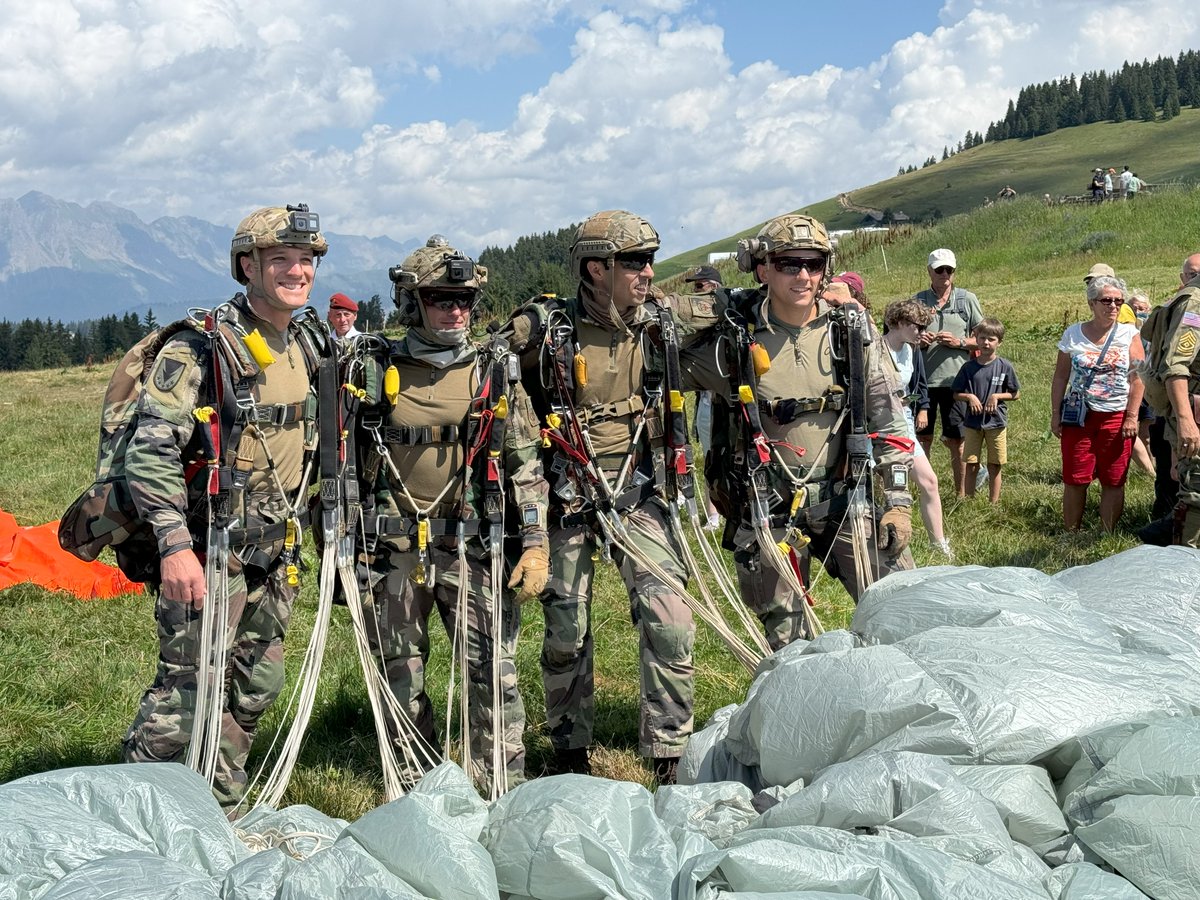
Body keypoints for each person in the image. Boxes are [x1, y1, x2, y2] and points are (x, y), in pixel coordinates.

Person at [122, 204, 334, 814]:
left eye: (306, 261)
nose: (297, 272)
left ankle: (220, 805)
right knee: (186, 694)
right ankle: (136, 810)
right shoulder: (201, 347)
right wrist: (174, 546)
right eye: (280, 261)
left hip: (278, 546)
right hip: (210, 546)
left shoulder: (309, 341)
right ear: (248, 266)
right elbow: (150, 451)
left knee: (257, 684)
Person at [504, 210, 703, 784]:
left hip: (638, 494)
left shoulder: (658, 323)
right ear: (595, 269)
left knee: (670, 616)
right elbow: (483, 370)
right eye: (634, 262)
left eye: (649, 260)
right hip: (568, 496)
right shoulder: (543, 333)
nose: (647, 273)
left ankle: (668, 753)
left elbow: (729, 313)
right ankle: (569, 751)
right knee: (567, 628)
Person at [351, 236, 550, 796]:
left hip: (473, 547)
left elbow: (525, 462)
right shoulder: (372, 369)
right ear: (413, 302)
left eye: (463, 298)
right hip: (392, 550)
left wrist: (535, 541)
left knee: (493, 674)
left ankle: (500, 790)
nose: (455, 309)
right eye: (441, 298)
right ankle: (415, 790)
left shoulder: (494, 371)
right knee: (399, 672)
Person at [682, 213, 914, 648]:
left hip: (847, 500)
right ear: (763, 267)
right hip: (769, 510)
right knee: (791, 646)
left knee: (904, 612)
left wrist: (898, 500)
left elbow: (889, 419)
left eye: (815, 264)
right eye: (790, 264)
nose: (804, 275)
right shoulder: (732, 337)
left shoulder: (851, 331)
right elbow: (654, 350)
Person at [1050, 275, 1145, 531]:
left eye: (1118, 301)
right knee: (1075, 478)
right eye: (1106, 300)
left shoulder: (1130, 334)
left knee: (1114, 479)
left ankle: (1106, 534)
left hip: (1116, 416)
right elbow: (1060, 376)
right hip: (1078, 416)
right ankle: (1071, 534)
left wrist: (1132, 416)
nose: (1113, 306)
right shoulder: (1073, 334)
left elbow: (1138, 379)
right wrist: (1055, 412)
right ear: (1092, 303)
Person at [882, 300, 951, 558]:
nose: (922, 332)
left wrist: (915, 405)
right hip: (875, 428)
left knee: (930, 481)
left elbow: (917, 385)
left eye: (924, 326)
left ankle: (939, 546)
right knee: (877, 489)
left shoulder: (912, 351)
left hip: (904, 424)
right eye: (917, 326)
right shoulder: (876, 349)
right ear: (899, 323)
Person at [913, 248, 983, 495]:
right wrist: (918, 339)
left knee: (957, 441)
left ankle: (960, 494)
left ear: (954, 272)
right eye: (939, 270)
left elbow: (985, 339)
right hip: (924, 383)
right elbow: (901, 338)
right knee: (923, 440)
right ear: (929, 271)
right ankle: (924, 492)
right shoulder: (917, 301)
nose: (944, 274)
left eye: (949, 270)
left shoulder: (967, 300)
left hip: (957, 382)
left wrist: (960, 343)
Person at [1153, 253, 1200, 547]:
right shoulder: (1194, 302)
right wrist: (1185, 421)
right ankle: (1185, 571)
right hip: (1195, 413)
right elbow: (1175, 367)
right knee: (1197, 495)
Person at [952, 317, 1020, 503]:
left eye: (991, 339)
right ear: (976, 339)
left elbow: (1015, 394)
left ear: (999, 342)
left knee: (995, 463)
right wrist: (969, 397)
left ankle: (994, 502)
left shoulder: (1004, 366)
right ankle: (969, 500)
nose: (986, 343)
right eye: (982, 338)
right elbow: (956, 393)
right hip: (972, 423)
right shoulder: (968, 367)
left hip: (996, 422)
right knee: (972, 462)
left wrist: (997, 396)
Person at [684, 266, 723, 531]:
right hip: (705, 401)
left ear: (716, 287)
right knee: (709, 459)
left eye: (702, 286)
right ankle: (714, 515)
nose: (698, 291)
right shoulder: (694, 323)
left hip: (728, 400)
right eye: (695, 287)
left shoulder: (728, 316)